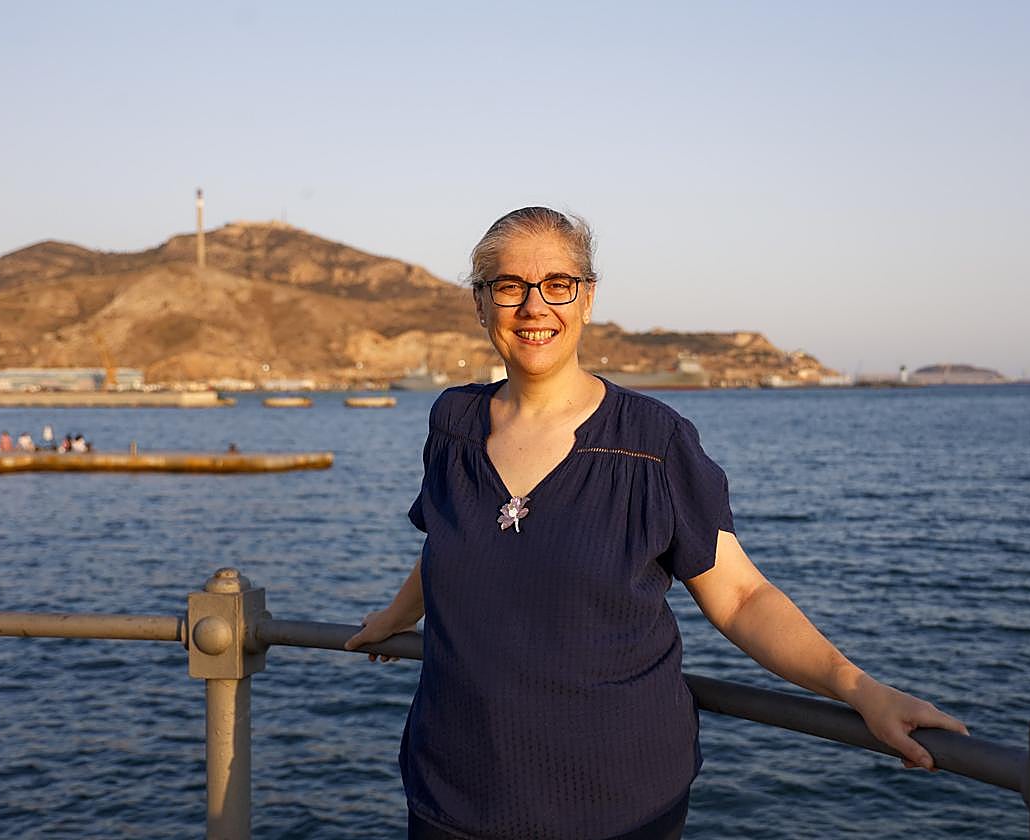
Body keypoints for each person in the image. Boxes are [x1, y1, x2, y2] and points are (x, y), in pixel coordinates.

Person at [345, 208, 966, 840]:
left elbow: (743, 597)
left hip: (618, 805)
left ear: (587, 299)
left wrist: (859, 688)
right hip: (454, 792)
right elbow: (449, 544)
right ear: (481, 305)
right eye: (509, 287)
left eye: (557, 284)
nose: (534, 306)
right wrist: (394, 620)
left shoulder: (652, 442)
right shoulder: (453, 424)